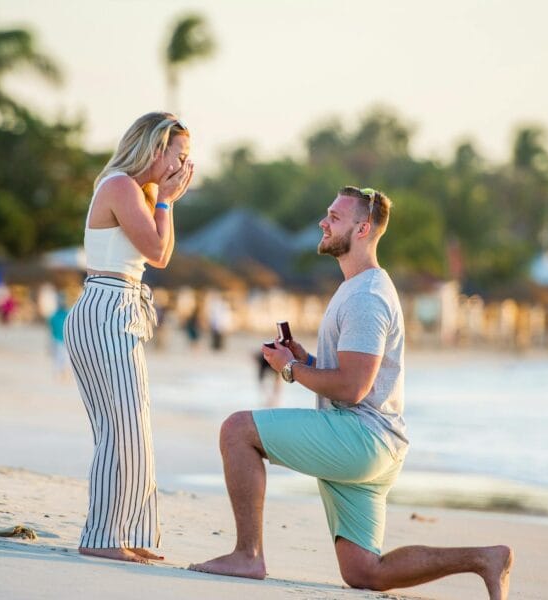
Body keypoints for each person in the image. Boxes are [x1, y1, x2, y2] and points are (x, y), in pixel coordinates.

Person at [189, 187, 513, 599]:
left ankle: (247, 555)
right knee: (364, 571)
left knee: (237, 430)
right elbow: (349, 376)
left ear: (362, 229)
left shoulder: (366, 296)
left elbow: (353, 387)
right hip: (377, 442)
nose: (323, 223)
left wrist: (289, 369)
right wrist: (304, 358)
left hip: (362, 438)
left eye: (334, 218)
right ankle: (485, 558)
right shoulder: (358, 287)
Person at [64, 112, 193, 565]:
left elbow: (161, 253)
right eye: (178, 155)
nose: (183, 165)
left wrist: (164, 199)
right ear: (155, 149)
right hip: (106, 306)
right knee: (120, 428)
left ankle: (130, 531)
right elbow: (157, 251)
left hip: (119, 308)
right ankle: (100, 535)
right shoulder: (120, 186)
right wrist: (169, 201)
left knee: (133, 426)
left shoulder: (139, 192)